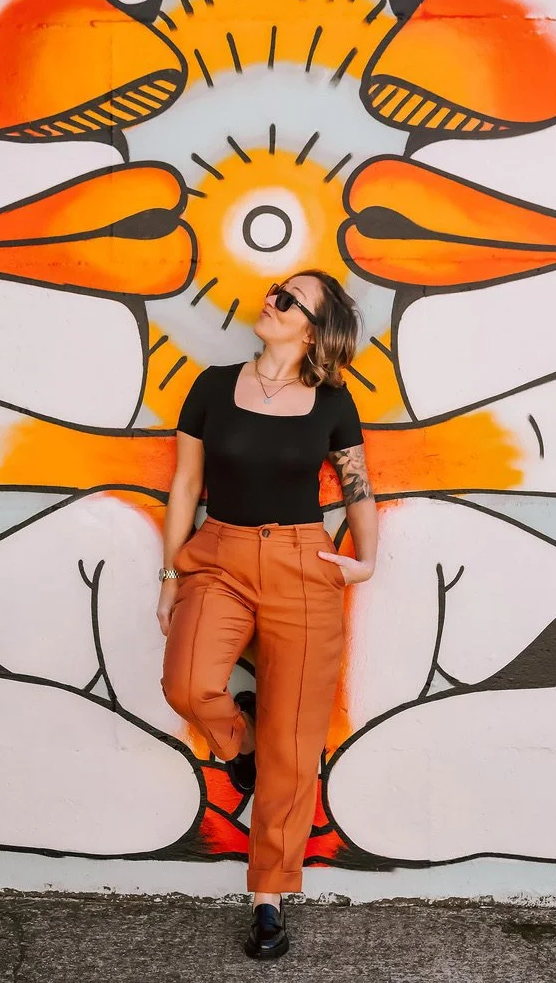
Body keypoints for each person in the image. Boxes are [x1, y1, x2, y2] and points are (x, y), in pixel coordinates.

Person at [157, 269, 378, 960]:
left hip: (301, 564)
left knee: (294, 744)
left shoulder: (333, 401)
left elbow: (358, 489)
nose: (271, 299)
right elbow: (185, 484)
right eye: (275, 290)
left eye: (289, 299)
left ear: (312, 327)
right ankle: (239, 743)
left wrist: (365, 559)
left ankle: (267, 897)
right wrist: (170, 572)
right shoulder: (211, 385)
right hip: (218, 552)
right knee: (187, 684)